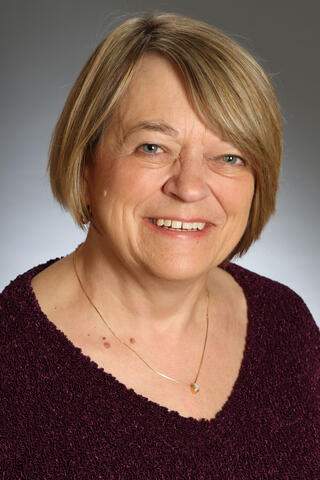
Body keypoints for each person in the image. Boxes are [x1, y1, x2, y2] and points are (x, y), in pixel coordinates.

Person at [1, 12, 319, 479]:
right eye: (152, 147)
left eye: (229, 156)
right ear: (87, 163)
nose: (190, 187)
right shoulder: (11, 367)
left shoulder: (285, 322)